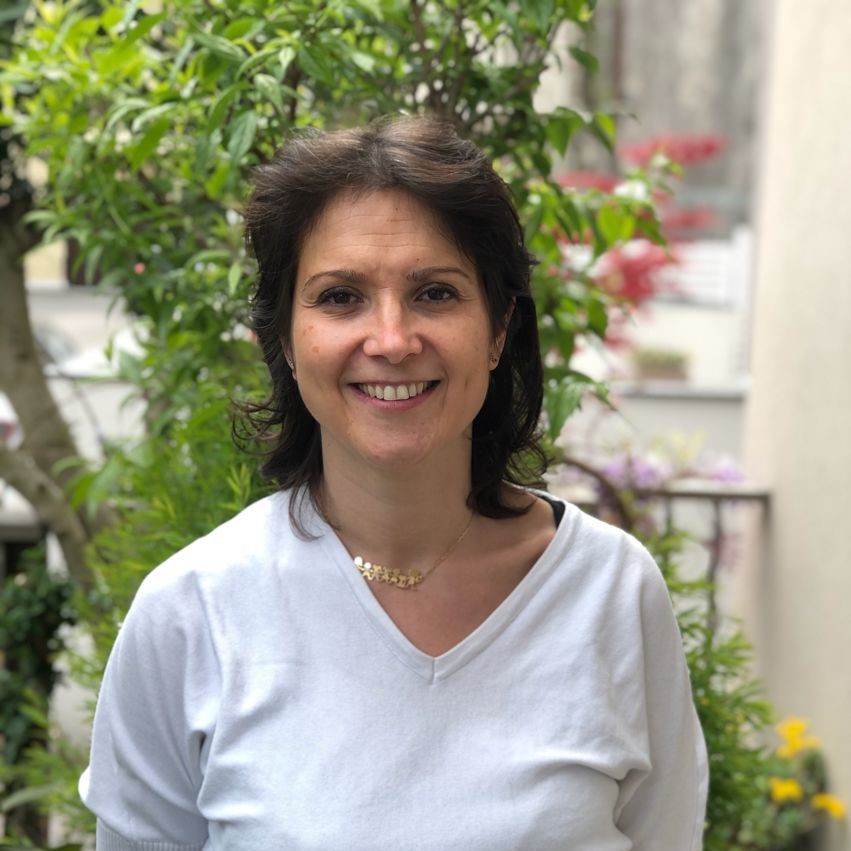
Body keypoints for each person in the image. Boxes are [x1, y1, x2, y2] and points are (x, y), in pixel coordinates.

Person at [80, 115, 708, 850]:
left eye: (435, 293)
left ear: (498, 328)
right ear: (284, 338)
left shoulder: (612, 592)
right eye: (339, 297)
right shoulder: (192, 611)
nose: (391, 340)